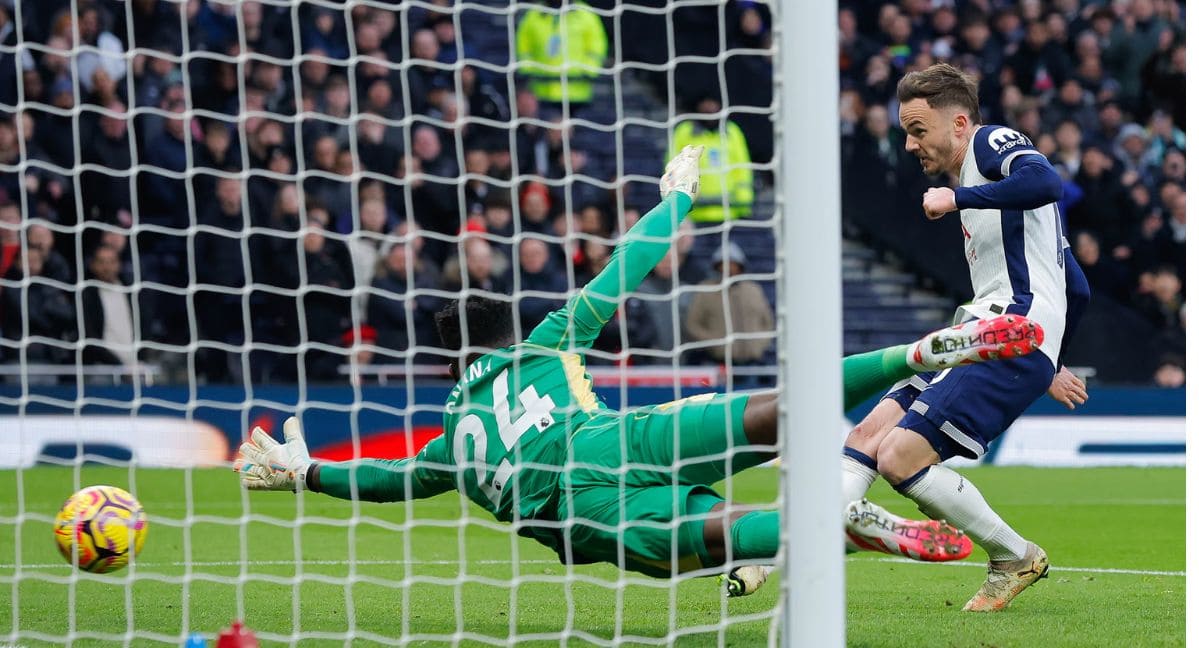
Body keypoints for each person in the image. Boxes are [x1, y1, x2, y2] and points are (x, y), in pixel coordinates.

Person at [236, 146, 1045, 598]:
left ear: (452, 358)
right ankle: (914, 352)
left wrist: (309, 473)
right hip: (625, 437)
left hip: (581, 513)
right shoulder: (545, 343)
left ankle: (844, 533)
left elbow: (391, 482)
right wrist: (675, 199)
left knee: (721, 534)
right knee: (778, 410)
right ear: (505, 331)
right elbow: (623, 271)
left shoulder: (450, 439)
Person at [841, 64, 1091, 613]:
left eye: (917, 129)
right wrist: (1054, 360)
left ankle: (1014, 556)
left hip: (1009, 332)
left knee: (899, 457)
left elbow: (1047, 180)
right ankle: (800, 547)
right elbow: (1078, 287)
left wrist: (958, 201)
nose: (909, 143)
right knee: (868, 433)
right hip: (980, 329)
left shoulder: (990, 143)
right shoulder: (982, 190)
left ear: (958, 123)